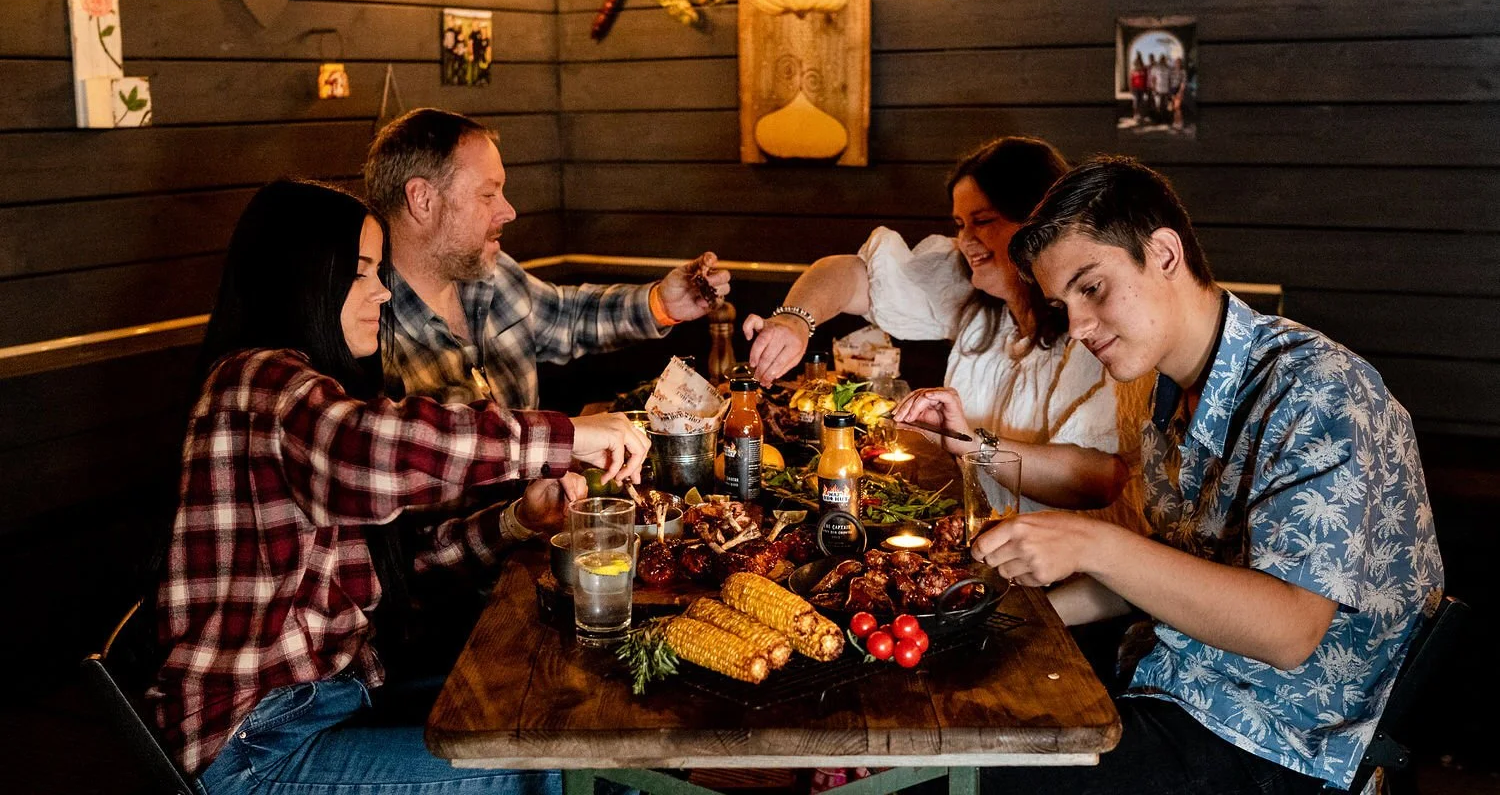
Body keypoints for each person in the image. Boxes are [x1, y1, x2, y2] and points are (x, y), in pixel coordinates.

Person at [145, 180, 649, 792]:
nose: (383, 291)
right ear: (302, 278)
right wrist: (568, 435)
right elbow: (373, 447)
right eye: (360, 272)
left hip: (335, 699)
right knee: (537, 763)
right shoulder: (255, 384)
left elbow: (402, 564)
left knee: (557, 702)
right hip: (254, 745)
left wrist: (517, 518)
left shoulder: (314, 391)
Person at [972, 157, 1443, 794]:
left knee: (975, 777)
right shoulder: (1166, 395)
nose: (1077, 327)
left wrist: (1092, 543)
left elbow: (1288, 631)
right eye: (1064, 303)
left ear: (1164, 254)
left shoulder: (1319, 388)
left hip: (1278, 740)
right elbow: (1162, 578)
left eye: (1093, 288)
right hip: (1172, 680)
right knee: (974, 708)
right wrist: (1002, 619)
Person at [744, 137, 1150, 535]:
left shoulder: (1090, 331)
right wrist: (795, 321)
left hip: (1067, 556)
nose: (966, 240)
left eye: (983, 221)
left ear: (1036, 221)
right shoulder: (973, 298)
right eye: (959, 224)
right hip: (978, 533)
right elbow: (847, 272)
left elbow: (1100, 480)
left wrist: (971, 444)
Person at [365, 107, 730, 411]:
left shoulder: (491, 273)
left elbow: (568, 318)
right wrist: (572, 437)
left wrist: (661, 303)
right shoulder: (364, 327)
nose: (509, 212)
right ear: (422, 200)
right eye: (488, 195)